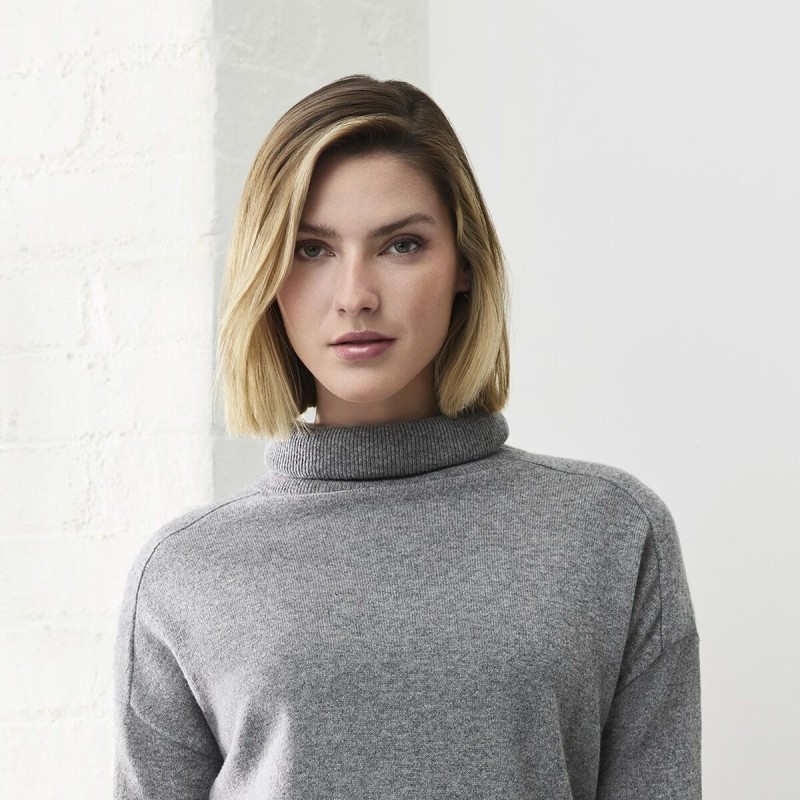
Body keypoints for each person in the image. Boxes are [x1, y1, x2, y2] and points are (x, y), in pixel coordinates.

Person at [113, 75, 701, 799]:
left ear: (464, 266)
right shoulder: (185, 571)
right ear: (266, 275)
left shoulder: (610, 531)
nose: (356, 295)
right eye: (311, 249)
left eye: (400, 245)